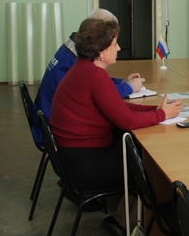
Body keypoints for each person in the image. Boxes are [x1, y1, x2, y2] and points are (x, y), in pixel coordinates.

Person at [49, 17, 182, 193]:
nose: (119, 48)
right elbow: (127, 120)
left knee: (140, 150)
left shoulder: (83, 67)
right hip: (85, 164)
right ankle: (142, 210)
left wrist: (154, 109)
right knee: (154, 165)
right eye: (114, 44)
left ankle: (127, 209)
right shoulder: (95, 76)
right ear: (101, 52)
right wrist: (162, 115)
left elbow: (117, 106)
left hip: (73, 157)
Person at [31, 8, 144, 145]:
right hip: (58, 132)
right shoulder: (77, 58)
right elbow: (101, 94)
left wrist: (122, 82)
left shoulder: (74, 49)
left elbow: (93, 86)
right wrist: (129, 87)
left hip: (53, 122)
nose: (118, 47)